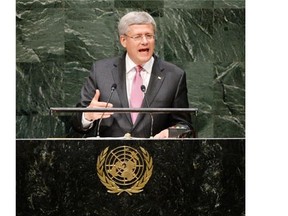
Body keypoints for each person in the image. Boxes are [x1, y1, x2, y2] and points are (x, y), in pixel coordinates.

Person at [71, 11, 193, 138]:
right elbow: (77, 122)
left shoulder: (174, 76)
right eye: (138, 36)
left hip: (154, 155)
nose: (145, 41)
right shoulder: (101, 71)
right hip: (110, 155)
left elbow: (185, 126)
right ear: (123, 40)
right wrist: (88, 116)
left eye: (149, 35)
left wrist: (171, 133)